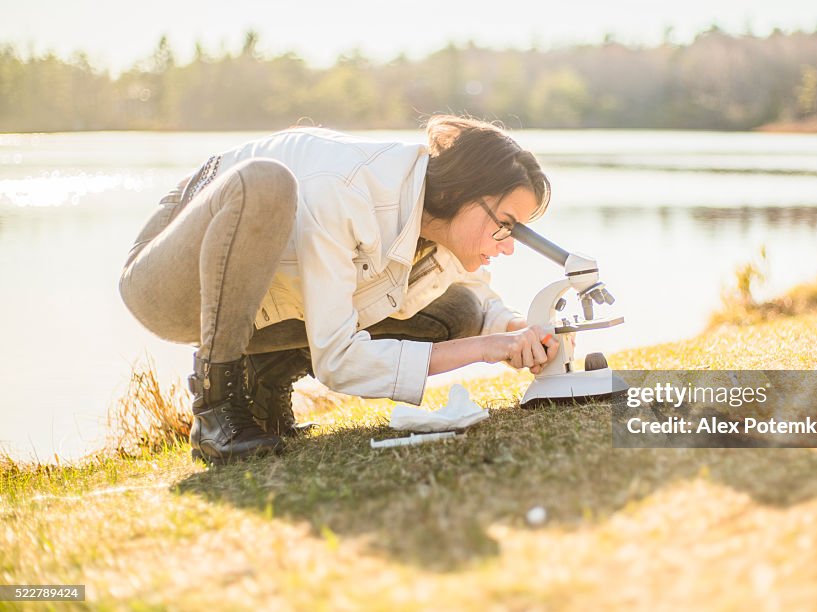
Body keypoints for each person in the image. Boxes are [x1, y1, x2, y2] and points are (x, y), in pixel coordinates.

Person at [118, 115, 558, 464]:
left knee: (459, 310)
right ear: (463, 191)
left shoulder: (435, 217)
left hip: (256, 304)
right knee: (266, 183)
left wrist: (516, 330)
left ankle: (265, 387)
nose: (507, 247)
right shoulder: (348, 193)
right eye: (505, 226)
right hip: (171, 281)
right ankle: (216, 409)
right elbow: (338, 360)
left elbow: (478, 297)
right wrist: (488, 348)